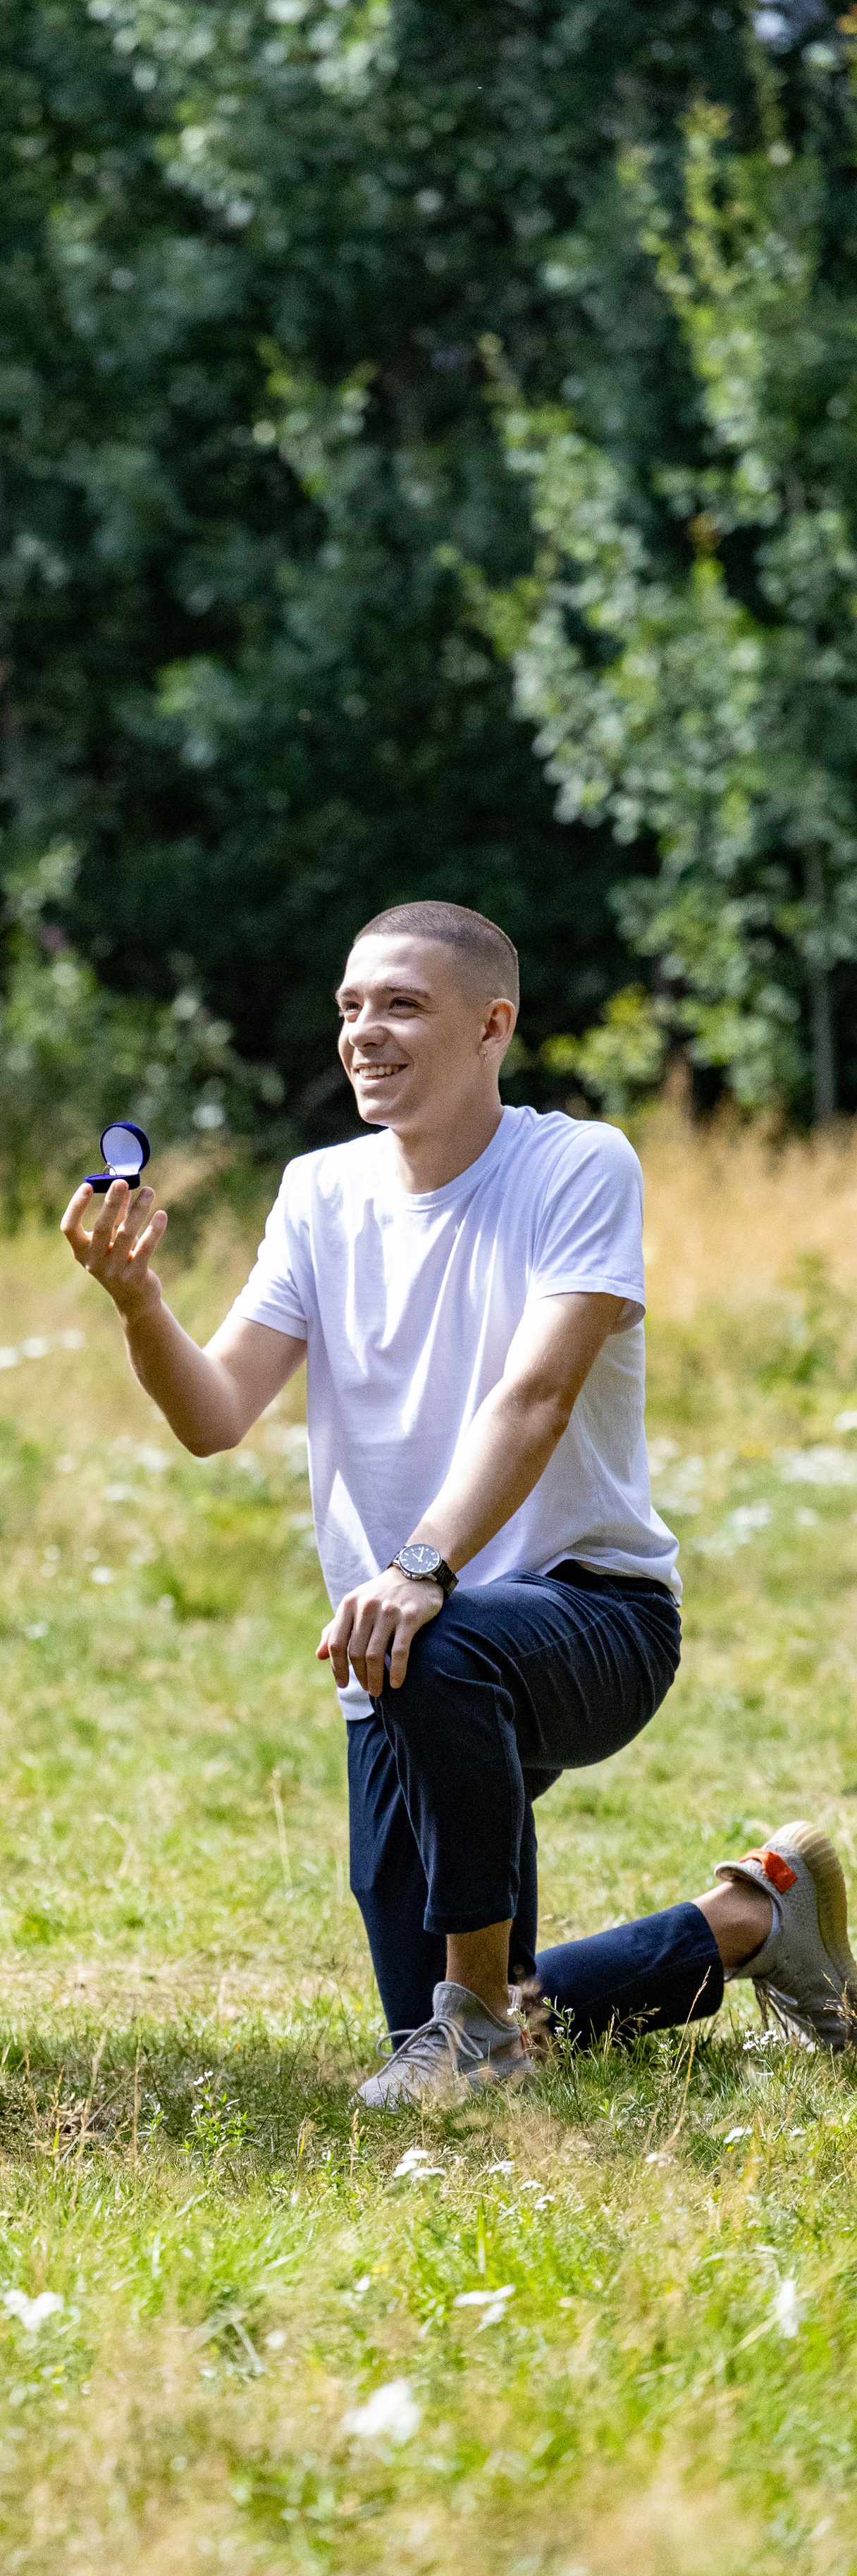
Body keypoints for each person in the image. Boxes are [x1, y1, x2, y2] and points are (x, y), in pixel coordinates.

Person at [62, 899, 857, 2107]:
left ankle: (479, 2024)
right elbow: (215, 1414)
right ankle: (748, 1919)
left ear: (494, 1026)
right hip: (393, 1650)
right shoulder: (319, 1193)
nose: (364, 1033)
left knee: (460, 1993)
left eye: (400, 1005)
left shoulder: (578, 1165)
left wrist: (422, 1565)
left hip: (589, 1614)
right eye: (350, 1007)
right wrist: (138, 1305)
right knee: (414, 2026)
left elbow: (536, 1395)